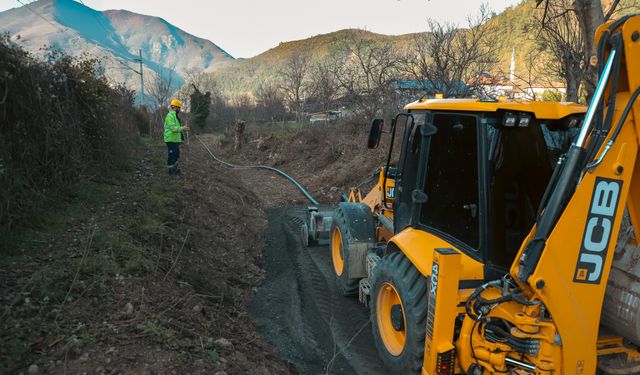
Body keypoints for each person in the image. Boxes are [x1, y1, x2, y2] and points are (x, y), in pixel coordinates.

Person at [164, 99, 189, 178]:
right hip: (170, 139)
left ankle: (176, 170)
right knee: (172, 156)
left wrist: (182, 129)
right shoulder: (170, 116)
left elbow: (177, 128)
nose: (180, 109)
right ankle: (171, 173)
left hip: (175, 140)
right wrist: (183, 128)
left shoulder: (175, 116)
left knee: (176, 155)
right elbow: (173, 129)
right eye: (179, 107)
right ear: (175, 107)